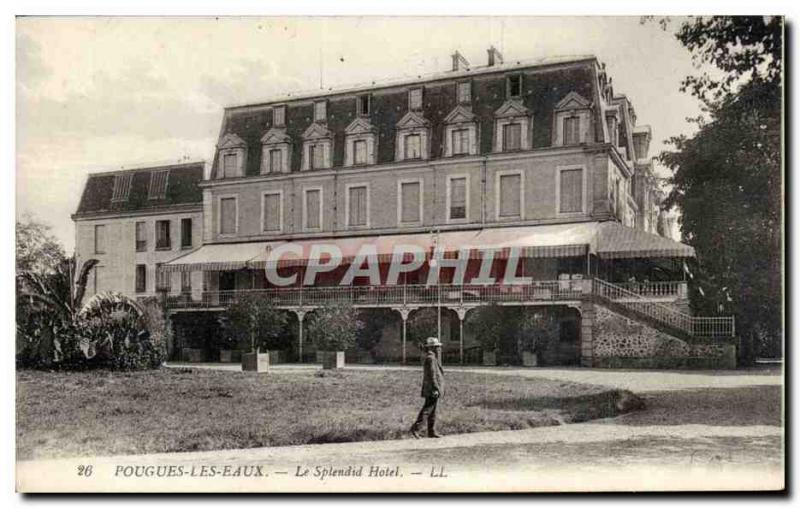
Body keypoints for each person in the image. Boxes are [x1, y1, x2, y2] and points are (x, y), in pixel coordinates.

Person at [410, 337, 445, 439]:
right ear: (432, 348)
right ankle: (416, 428)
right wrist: (436, 388)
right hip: (432, 388)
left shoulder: (432, 358)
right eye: (437, 347)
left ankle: (431, 431)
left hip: (431, 387)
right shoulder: (431, 359)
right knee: (428, 409)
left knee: (432, 410)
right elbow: (432, 375)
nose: (439, 349)